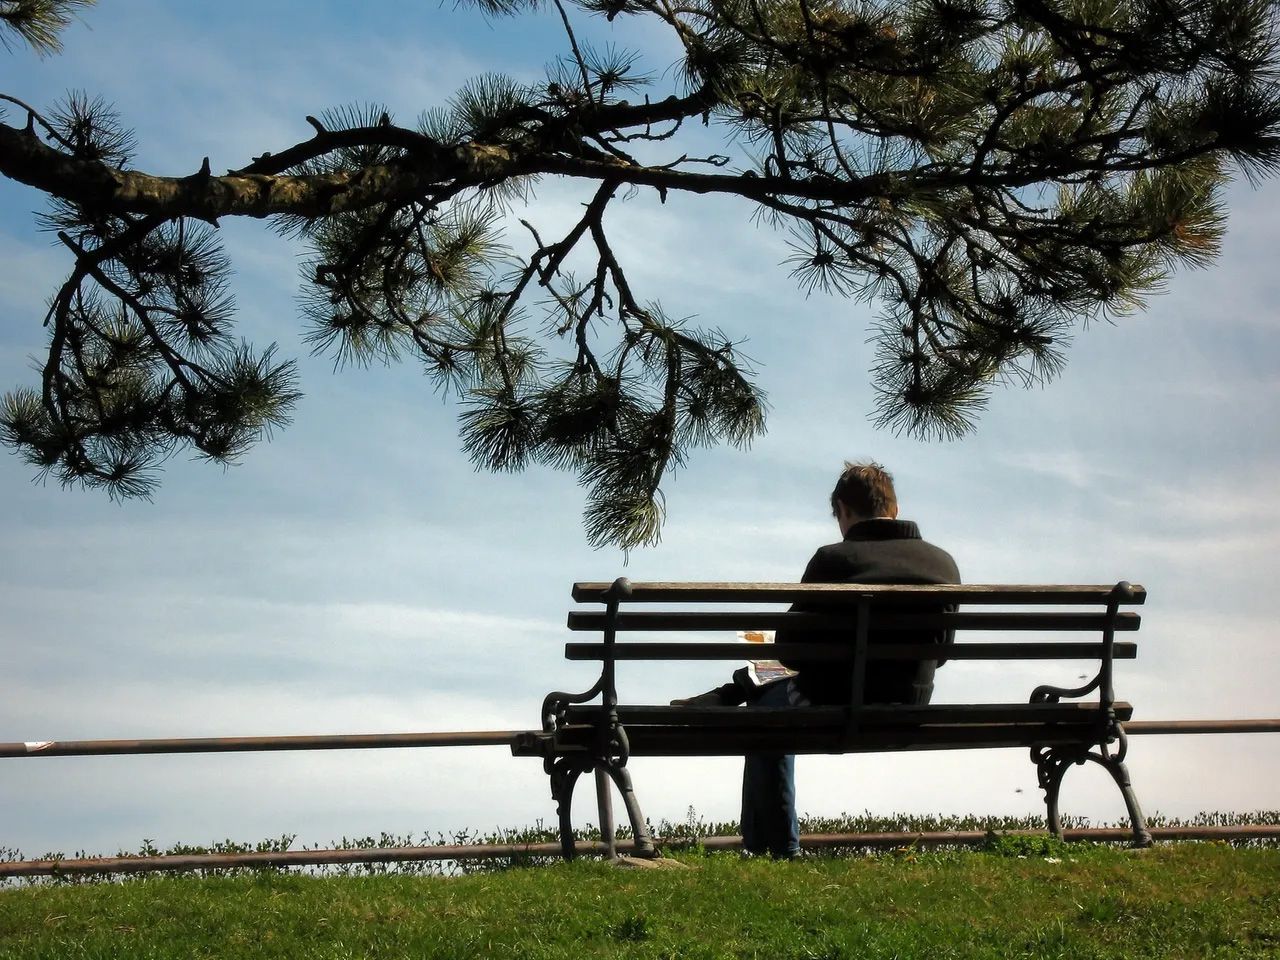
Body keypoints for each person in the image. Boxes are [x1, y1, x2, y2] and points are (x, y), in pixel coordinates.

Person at [674, 461, 960, 858]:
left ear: (843, 510)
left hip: (830, 702)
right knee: (769, 688)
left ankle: (770, 847)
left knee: (765, 711)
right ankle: (728, 692)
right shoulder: (942, 563)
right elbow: (941, 653)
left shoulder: (833, 560)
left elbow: (791, 650)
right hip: (906, 705)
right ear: (893, 509)